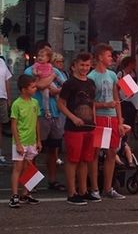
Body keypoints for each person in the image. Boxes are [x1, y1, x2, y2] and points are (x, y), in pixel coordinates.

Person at [57, 53, 99, 205]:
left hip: (89, 126)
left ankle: (83, 190)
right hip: (74, 128)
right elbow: (60, 103)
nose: (84, 68)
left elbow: (92, 103)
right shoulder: (70, 83)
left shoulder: (91, 83)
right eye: (82, 65)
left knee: (85, 159)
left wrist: (93, 120)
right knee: (73, 159)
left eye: (87, 65)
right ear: (75, 65)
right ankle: (72, 192)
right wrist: (73, 118)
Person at [88, 43, 126, 200]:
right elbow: (89, 102)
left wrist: (120, 119)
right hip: (100, 117)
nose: (111, 58)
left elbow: (116, 98)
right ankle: (95, 188)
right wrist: (104, 105)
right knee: (96, 152)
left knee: (111, 152)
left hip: (112, 117)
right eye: (109, 55)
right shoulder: (91, 77)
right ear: (100, 57)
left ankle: (108, 187)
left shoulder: (112, 75)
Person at [24, 53, 67, 192]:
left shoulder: (55, 71)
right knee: (34, 150)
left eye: (45, 55)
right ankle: (31, 183)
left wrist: (56, 88)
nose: (42, 58)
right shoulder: (30, 70)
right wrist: (52, 78)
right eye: (40, 55)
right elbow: (39, 85)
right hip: (39, 114)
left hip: (55, 114)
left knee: (53, 150)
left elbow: (65, 87)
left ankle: (52, 180)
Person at [9, 75, 41, 208]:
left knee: (29, 167)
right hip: (21, 141)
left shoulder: (35, 103)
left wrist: (39, 140)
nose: (35, 89)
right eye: (32, 87)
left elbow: (37, 122)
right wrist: (18, 143)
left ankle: (25, 193)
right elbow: (14, 125)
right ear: (23, 89)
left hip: (32, 140)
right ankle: (14, 195)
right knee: (18, 167)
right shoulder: (17, 104)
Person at [32, 47, 65, 119]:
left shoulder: (50, 66)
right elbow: (34, 73)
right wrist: (37, 73)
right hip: (42, 81)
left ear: (48, 58)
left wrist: (60, 85)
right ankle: (47, 111)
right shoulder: (37, 65)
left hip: (51, 82)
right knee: (46, 96)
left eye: (42, 56)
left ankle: (59, 106)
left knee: (57, 94)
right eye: (39, 56)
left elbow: (54, 74)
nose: (40, 58)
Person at [0, 57, 12, 165]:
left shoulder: (2, 62)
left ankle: (0, 154)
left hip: (2, 98)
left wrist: (9, 98)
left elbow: (7, 80)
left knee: (0, 127)